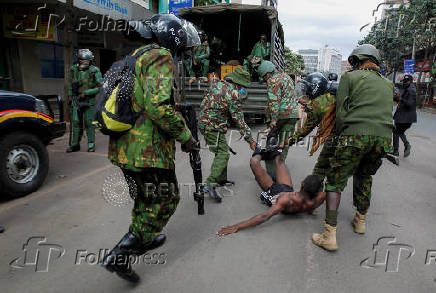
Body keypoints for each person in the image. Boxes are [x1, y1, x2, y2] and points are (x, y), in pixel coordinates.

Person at [102, 14, 199, 282]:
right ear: (173, 37)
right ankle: (121, 254)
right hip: (146, 151)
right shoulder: (160, 56)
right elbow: (157, 107)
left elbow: (144, 99)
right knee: (168, 199)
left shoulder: (135, 56)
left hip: (124, 149)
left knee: (146, 199)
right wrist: (186, 137)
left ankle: (143, 235)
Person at [311, 44, 394, 251]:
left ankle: (329, 234)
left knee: (335, 181)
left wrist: (337, 138)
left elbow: (340, 115)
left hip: (355, 136)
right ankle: (360, 221)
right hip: (384, 139)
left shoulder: (350, 77)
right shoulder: (388, 83)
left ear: (357, 61)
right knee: (365, 176)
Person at [217, 151, 325, 236]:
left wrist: (236, 226)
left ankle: (259, 152)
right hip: (287, 189)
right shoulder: (317, 200)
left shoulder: (286, 200)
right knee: (279, 160)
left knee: (254, 162)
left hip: (274, 192)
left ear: (302, 185)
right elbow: (331, 191)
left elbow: (264, 216)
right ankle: (272, 151)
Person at [199, 68, 257, 202]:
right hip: (212, 126)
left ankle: (221, 179)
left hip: (206, 123)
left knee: (222, 150)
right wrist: (251, 140)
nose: (243, 89)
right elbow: (239, 121)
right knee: (223, 154)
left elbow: (203, 103)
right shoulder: (233, 93)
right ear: (238, 83)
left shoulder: (218, 84)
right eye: (242, 86)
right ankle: (209, 184)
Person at [284, 72, 334, 191]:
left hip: (335, 139)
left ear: (315, 88)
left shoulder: (317, 104)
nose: (305, 92)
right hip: (354, 137)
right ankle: (361, 210)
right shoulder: (333, 97)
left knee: (320, 170)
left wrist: (288, 142)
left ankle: (311, 199)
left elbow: (305, 129)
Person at [257, 60, 299, 180]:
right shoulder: (286, 77)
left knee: (271, 144)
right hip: (292, 115)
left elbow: (274, 102)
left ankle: (271, 176)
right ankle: (280, 170)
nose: (265, 79)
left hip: (280, 115)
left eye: (264, 77)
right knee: (284, 144)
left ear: (267, 74)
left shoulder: (272, 81)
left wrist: (273, 120)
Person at [66, 49, 103, 153]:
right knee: (76, 122)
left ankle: (91, 144)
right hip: (75, 99)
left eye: (85, 60)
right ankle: (75, 144)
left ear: (90, 61)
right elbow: (70, 83)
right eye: (81, 59)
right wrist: (70, 95)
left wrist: (87, 93)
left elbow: (100, 87)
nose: (82, 61)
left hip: (89, 101)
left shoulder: (94, 70)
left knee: (89, 123)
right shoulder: (73, 69)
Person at [391, 74, 417, 162]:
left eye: (405, 82)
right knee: (399, 132)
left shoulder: (411, 90)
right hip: (403, 116)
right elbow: (401, 100)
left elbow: (409, 104)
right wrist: (396, 98)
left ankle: (395, 152)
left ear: (410, 81)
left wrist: (400, 98)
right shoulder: (407, 89)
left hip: (405, 117)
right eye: (403, 82)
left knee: (396, 132)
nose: (404, 83)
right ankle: (406, 145)